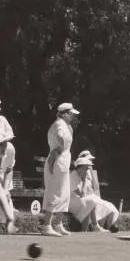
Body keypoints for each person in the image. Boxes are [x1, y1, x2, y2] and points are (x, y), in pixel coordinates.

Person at [40, 102, 80, 237]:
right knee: (54, 192)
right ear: (64, 114)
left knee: (64, 193)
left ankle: (58, 224)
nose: (73, 116)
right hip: (57, 160)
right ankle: (46, 225)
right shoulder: (59, 124)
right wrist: (59, 150)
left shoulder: (65, 125)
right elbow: (60, 139)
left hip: (63, 161)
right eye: (71, 114)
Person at [68, 156, 119, 231]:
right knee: (90, 202)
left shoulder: (79, 175)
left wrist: (83, 180)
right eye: (86, 168)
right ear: (80, 167)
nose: (87, 170)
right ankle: (94, 226)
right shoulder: (73, 175)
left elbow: (82, 193)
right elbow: (79, 192)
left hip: (76, 199)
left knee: (90, 203)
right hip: (70, 201)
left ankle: (90, 228)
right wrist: (83, 180)